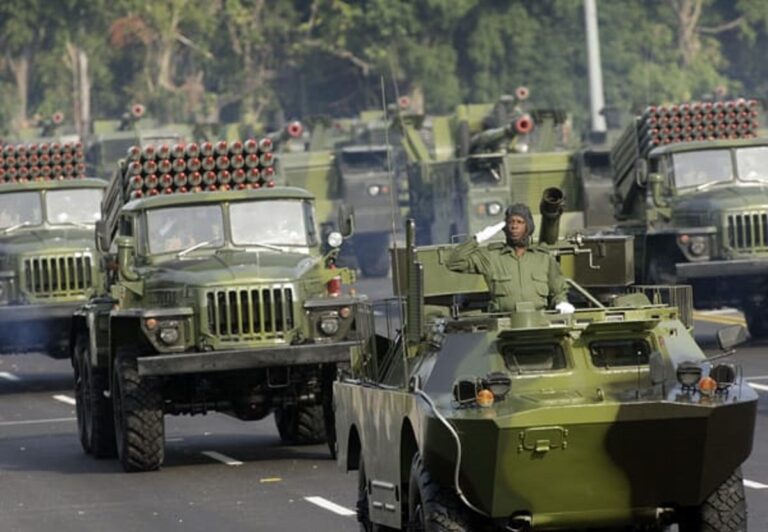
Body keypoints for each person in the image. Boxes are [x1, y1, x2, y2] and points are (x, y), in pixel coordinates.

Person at [446, 203, 575, 314]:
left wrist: (561, 303)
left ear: (528, 227)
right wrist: (478, 238)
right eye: (511, 222)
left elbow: (558, 290)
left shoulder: (543, 258)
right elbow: (453, 262)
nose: (514, 226)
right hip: (504, 323)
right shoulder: (492, 256)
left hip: (539, 321)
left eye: (520, 222)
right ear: (505, 228)